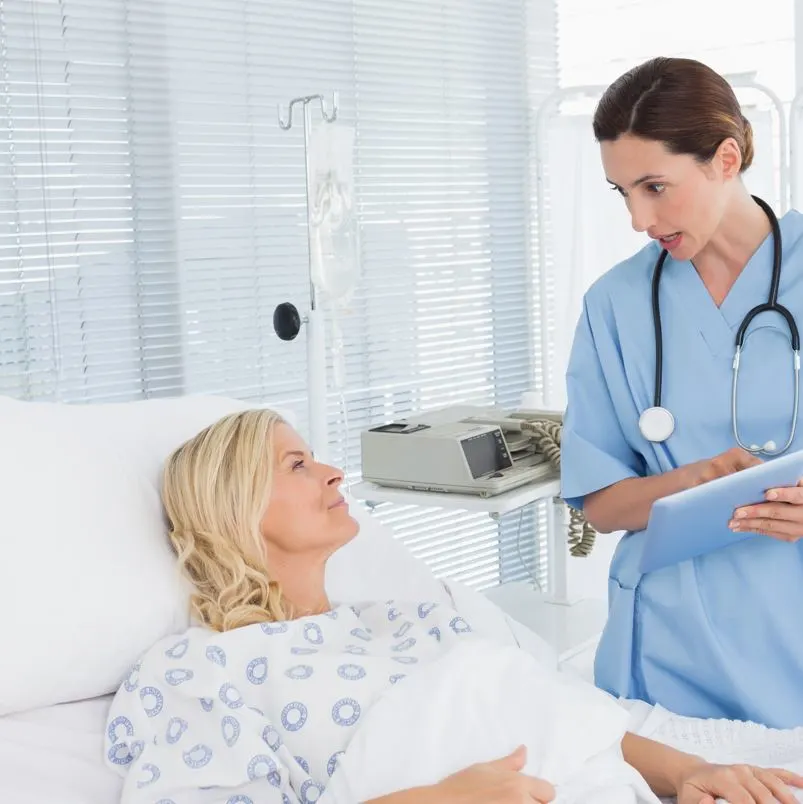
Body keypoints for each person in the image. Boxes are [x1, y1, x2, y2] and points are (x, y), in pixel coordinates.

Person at [103, 408, 803, 804]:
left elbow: (563, 717)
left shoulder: (408, 618)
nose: (333, 470)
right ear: (236, 504)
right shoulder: (201, 670)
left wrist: (688, 774)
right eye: (296, 464)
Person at [561, 55, 803, 729]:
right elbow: (603, 505)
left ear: (725, 159)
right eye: (621, 193)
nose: (639, 218)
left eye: (654, 187)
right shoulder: (615, 304)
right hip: (662, 656)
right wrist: (693, 481)